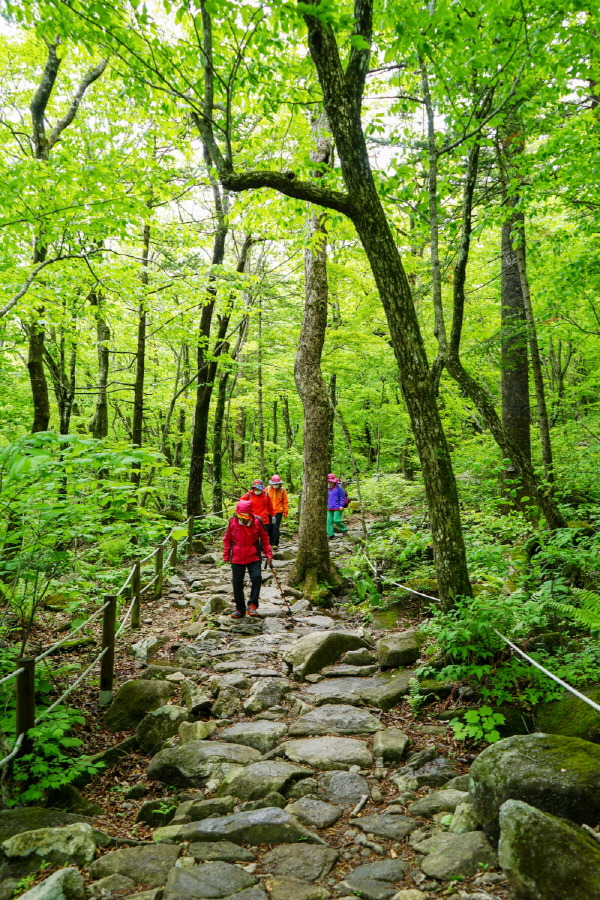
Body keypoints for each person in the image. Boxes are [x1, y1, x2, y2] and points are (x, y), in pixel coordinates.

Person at [223, 499, 272, 618]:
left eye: (245, 514)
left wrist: (268, 553)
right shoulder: (233, 521)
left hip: (253, 555)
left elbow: (265, 538)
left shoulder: (257, 521)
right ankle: (240, 608)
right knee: (237, 582)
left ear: (250, 513)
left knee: (256, 578)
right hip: (237, 557)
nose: (243, 517)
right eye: (241, 514)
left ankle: (253, 605)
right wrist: (226, 554)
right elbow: (227, 539)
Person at [266, 474, 288, 549]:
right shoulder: (267, 489)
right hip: (268, 512)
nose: (275, 485)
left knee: (276, 527)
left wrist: (285, 511)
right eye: (274, 484)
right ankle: (268, 543)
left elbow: (285, 501)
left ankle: (275, 543)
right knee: (269, 527)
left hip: (278, 511)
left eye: (277, 484)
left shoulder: (282, 490)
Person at [327, 473, 348, 539]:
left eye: (331, 481)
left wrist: (342, 505)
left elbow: (342, 496)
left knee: (336, 520)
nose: (330, 482)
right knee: (328, 521)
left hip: (338, 506)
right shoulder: (328, 488)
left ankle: (344, 530)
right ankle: (331, 534)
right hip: (330, 506)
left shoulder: (339, 486)